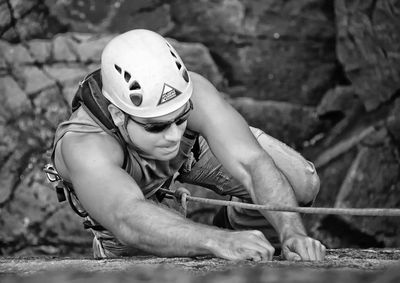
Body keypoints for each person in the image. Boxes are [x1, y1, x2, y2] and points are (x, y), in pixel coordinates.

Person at [51, 29, 326, 261]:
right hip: (121, 203)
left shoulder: (193, 93)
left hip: (188, 156)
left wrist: (292, 231)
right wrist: (218, 241)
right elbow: (126, 216)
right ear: (118, 116)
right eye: (156, 125)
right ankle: (205, 230)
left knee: (300, 182)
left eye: (182, 118)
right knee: (145, 253)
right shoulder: (84, 145)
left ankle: (239, 224)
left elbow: (252, 163)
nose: (173, 134)